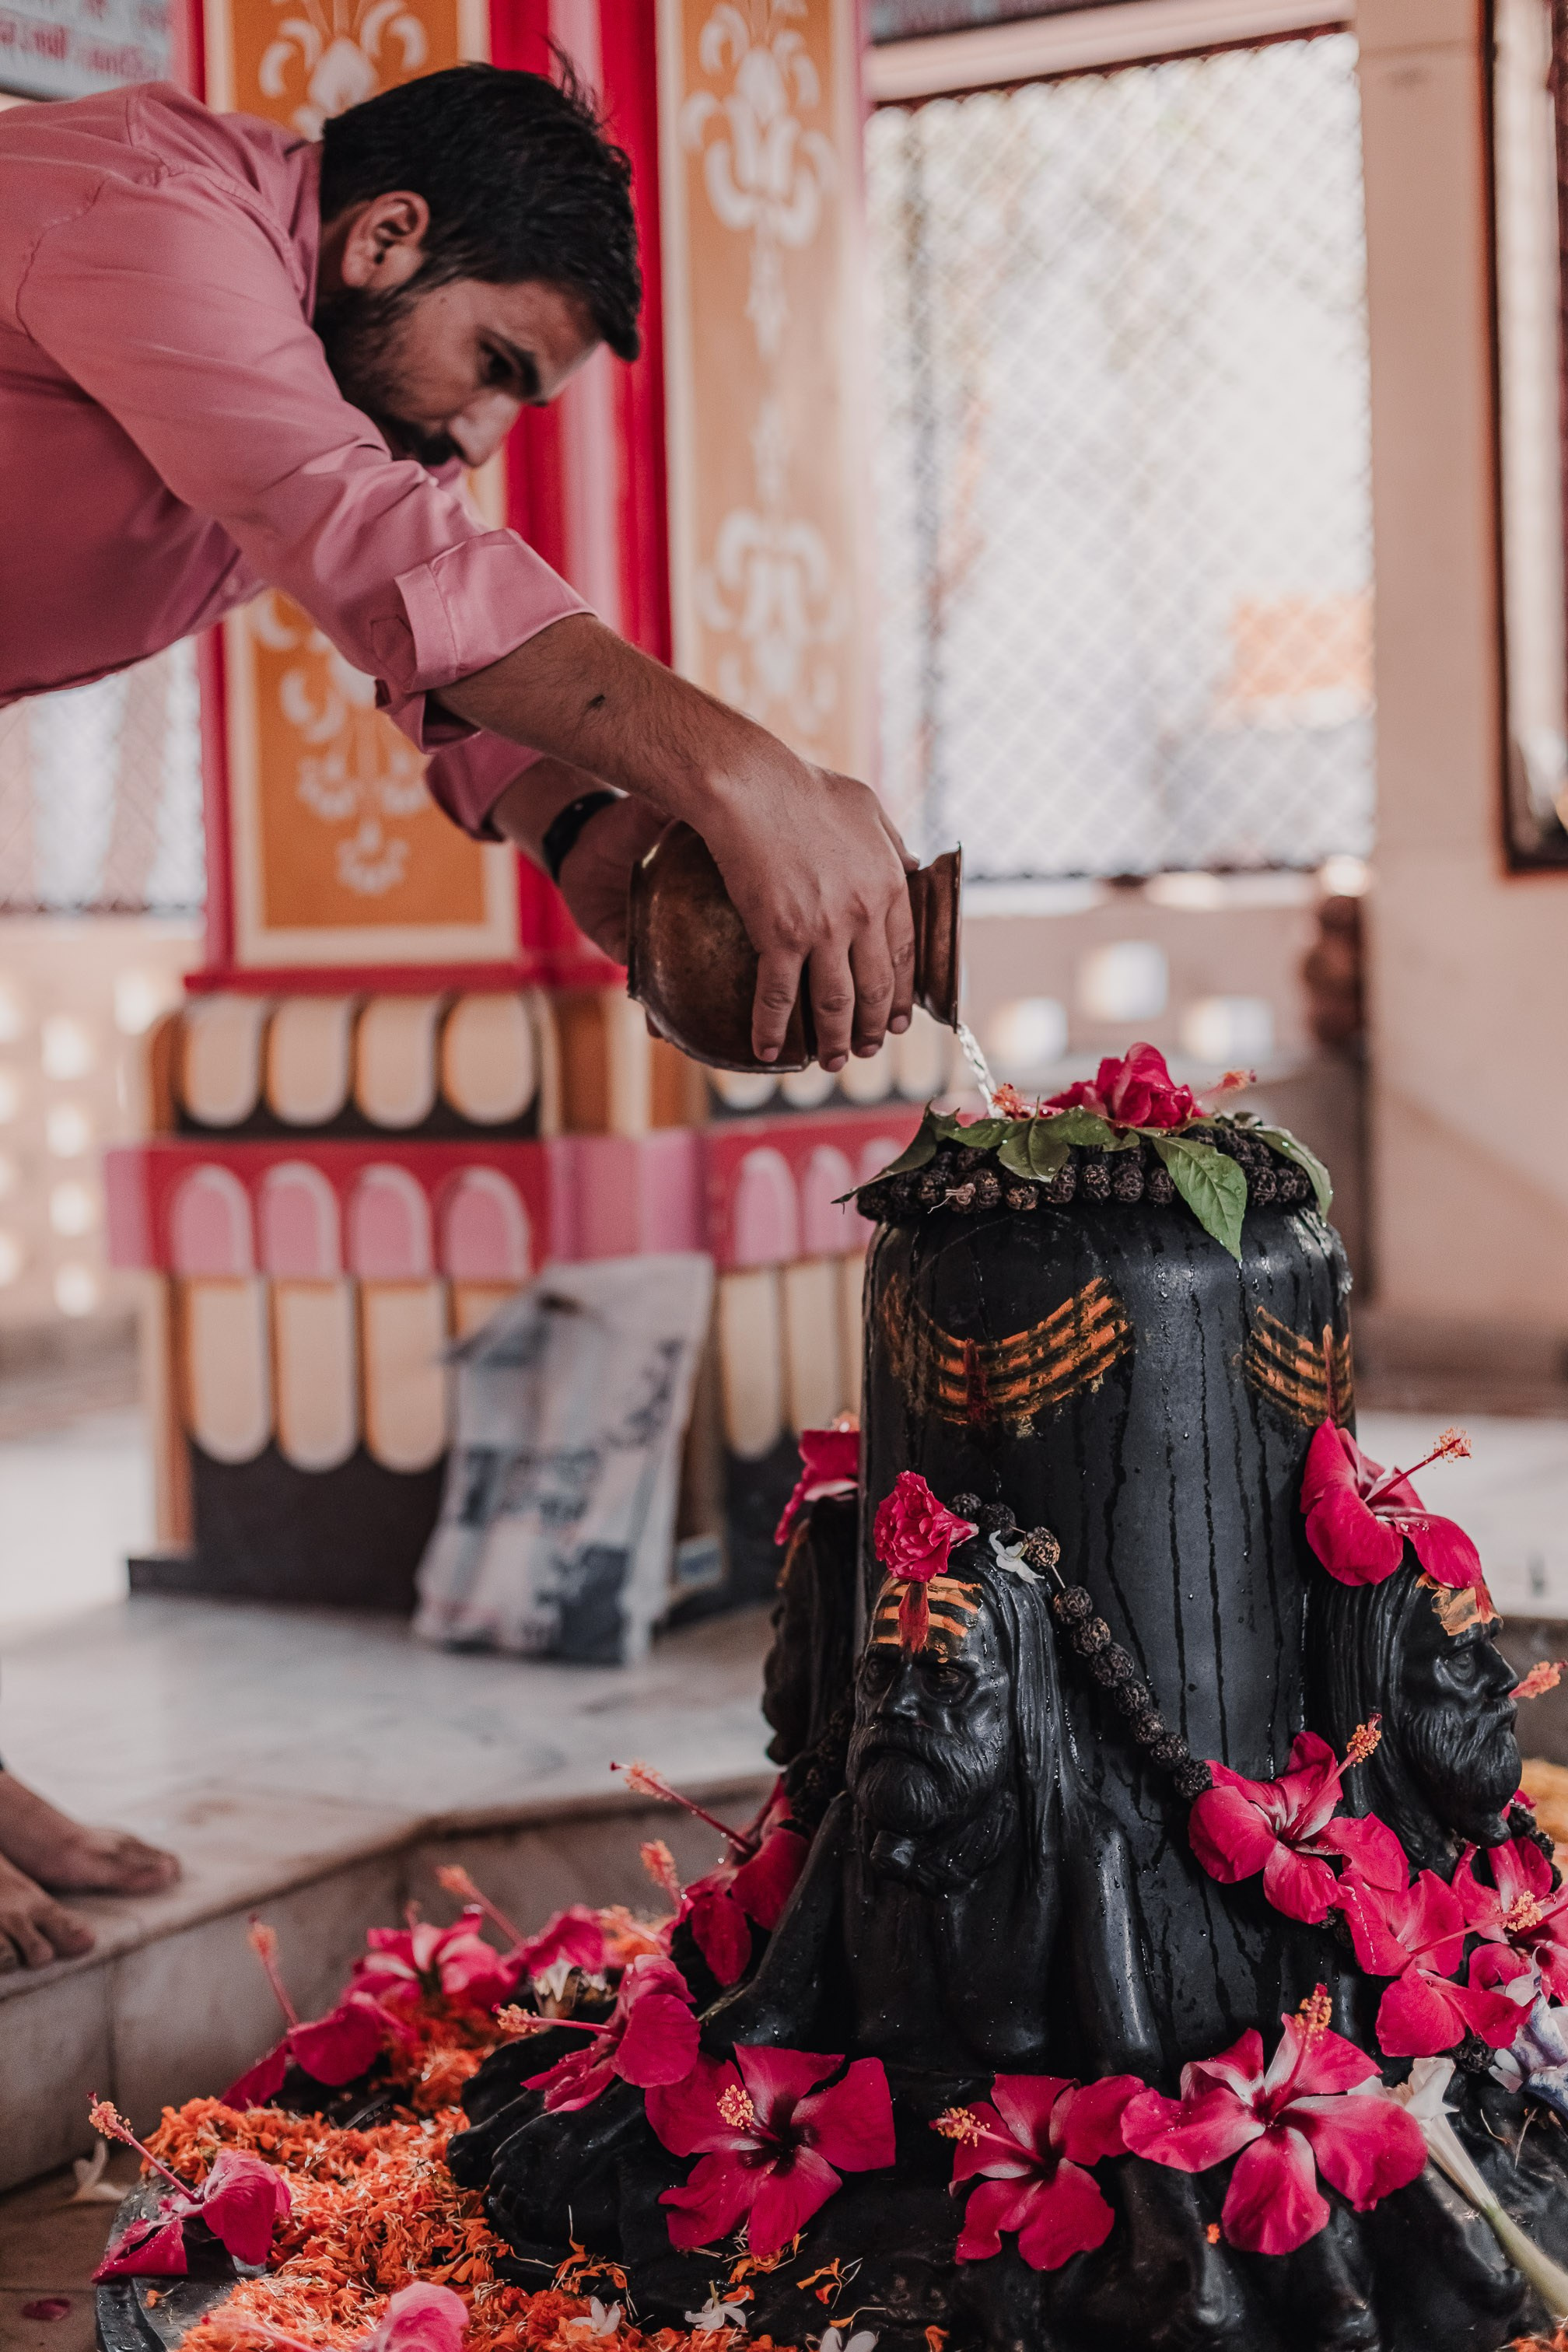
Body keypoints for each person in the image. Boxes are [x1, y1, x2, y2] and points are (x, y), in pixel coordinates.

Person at [0, 60, 914, 1964]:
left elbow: (414, 651)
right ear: (385, 237)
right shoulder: (150, 208)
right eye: (494, 364)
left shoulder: (311, 367)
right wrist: (748, 775)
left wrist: (589, 832)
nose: (484, 434)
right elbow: (370, 542)